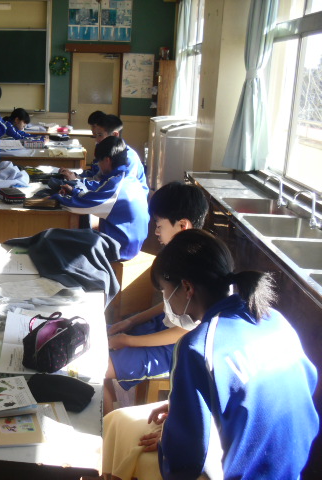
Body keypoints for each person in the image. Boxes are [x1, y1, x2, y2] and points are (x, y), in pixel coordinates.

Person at [102, 229, 318, 479]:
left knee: (122, 431)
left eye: (164, 290)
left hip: (238, 473)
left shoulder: (198, 345)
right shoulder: (274, 319)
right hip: (294, 468)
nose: (166, 300)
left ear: (186, 287)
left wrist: (170, 435)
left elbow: (188, 458)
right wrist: (184, 409)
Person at [105, 182, 208, 403]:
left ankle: (111, 419)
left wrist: (128, 341)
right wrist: (130, 322)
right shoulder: (179, 255)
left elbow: (184, 332)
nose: (156, 232)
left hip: (177, 348)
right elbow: (169, 304)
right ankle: (111, 412)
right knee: (96, 341)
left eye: (159, 225)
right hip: (163, 327)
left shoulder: (196, 266)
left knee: (97, 366)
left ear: (182, 225)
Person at [51, 136, 149, 261]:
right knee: (76, 234)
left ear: (107, 160)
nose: (98, 165)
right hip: (130, 242)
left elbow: (80, 206)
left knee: (58, 238)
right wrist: (74, 191)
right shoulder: (127, 179)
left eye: (99, 161)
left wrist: (56, 197)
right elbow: (98, 192)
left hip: (120, 248)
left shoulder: (116, 186)